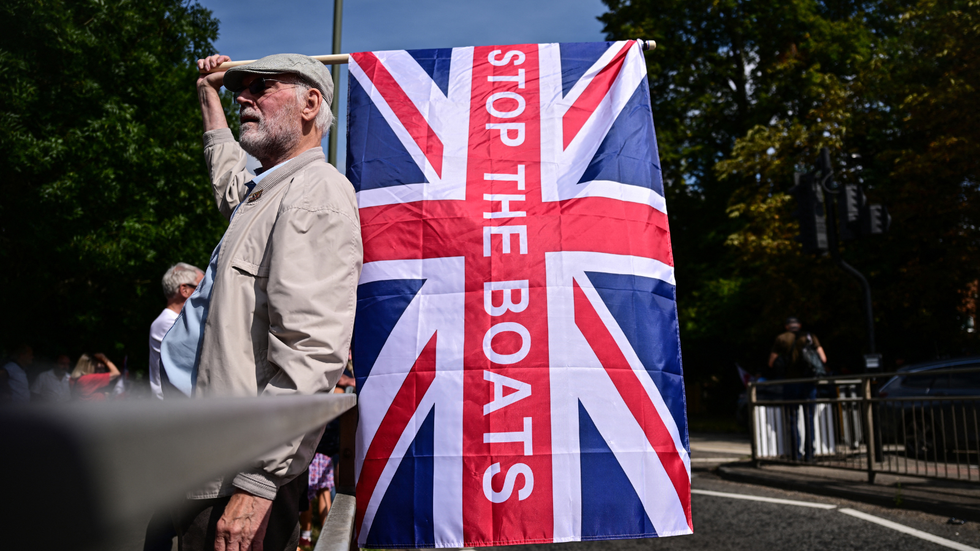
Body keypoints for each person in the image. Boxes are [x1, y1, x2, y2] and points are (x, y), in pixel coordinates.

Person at [162, 53, 362, 551]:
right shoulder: (265, 193)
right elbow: (227, 175)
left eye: (261, 88)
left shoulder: (315, 194)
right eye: (239, 90)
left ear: (310, 103)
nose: (244, 99)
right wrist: (209, 92)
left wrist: (256, 485)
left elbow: (311, 350)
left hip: (238, 474)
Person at [768, 317, 827, 462]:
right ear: (799, 325)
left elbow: (771, 362)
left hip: (791, 383)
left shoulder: (781, 338)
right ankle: (809, 454)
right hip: (808, 383)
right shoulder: (810, 337)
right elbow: (823, 359)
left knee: (792, 419)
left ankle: (795, 454)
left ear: (787, 326)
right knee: (809, 419)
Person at [149, 262, 204, 400]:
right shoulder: (168, 322)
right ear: (184, 290)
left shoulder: (173, 321)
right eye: (201, 287)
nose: (206, 294)